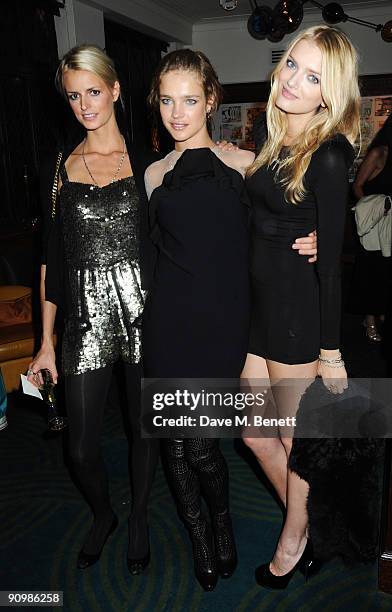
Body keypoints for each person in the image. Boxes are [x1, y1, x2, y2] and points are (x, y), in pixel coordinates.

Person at [143, 49, 318, 591]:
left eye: (190, 100)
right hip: (169, 324)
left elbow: (283, 228)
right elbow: (150, 254)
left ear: (210, 101)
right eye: (168, 101)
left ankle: (225, 523)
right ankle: (202, 538)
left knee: (210, 446)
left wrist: (319, 242)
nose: (178, 112)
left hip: (228, 325)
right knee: (175, 445)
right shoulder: (151, 175)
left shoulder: (243, 165)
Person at [27, 45, 160, 575]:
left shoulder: (150, 161)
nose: (84, 104)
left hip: (146, 312)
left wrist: (293, 231)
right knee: (79, 447)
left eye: (94, 92)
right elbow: (50, 259)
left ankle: (141, 517)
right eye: (74, 94)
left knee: (144, 427)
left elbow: (192, 226)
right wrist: (44, 340)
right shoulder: (58, 167)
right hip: (84, 317)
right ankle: (103, 513)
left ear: (116, 90)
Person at [241, 25, 361, 589]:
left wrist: (331, 352)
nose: (293, 80)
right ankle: (309, 519)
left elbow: (333, 262)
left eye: (313, 76)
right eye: (292, 64)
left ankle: (294, 537)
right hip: (259, 312)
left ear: (329, 93)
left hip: (296, 317)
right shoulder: (273, 140)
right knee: (254, 434)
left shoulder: (330, 152)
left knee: (293, 440)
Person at [353, 115, 392, 342]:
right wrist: (374, 207)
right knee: (372, 271)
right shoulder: (379, 154)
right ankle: (369, 319)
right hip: (376, 223)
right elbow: (357, 186)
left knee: (386, 270)